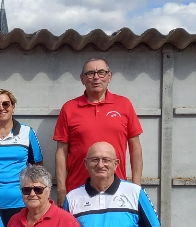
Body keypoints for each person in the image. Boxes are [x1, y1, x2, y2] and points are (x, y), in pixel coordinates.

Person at [54, 57, 143, 206]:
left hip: (117, 190)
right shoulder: (69, 108)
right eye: (90, 73)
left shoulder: (124, 105)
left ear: (110, 76)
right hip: (78, 190)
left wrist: (136, 186)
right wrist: (61, 190)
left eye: (101, 72)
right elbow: (61, 152)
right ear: (82, 79)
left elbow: (136, 148)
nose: (96, 77)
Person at [0, 88, 44, 227]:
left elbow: (38, 167)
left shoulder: (27, 132)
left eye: (6, 104)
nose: (1, 108)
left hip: (20, 202)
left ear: (13, 107)